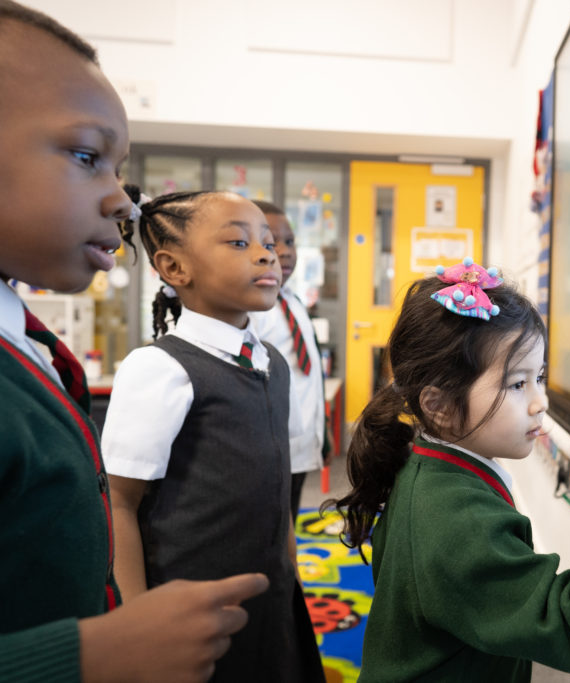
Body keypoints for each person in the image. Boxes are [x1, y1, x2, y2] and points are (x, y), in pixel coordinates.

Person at [0, 3, 270, 682]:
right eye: (87, 155)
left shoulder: (23, 345)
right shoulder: (167, 367)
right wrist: (92, 654)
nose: (122, 201)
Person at [325, 259, 570, 681]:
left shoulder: (429, 464)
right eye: (517, 384)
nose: (540, 401)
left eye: (539, 376)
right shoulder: (456, 519)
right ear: (440, 407)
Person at [101, 188, 325, 682]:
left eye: (268, 242)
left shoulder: (274, 363)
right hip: (191, 603)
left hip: (269, 594)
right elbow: (118, 502)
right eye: (239, 243)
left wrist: (287, 565)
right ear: (175, 268)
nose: (268, 253)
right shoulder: (160, 367)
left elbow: (273, 481)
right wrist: (137, 625)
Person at [250, 200, 328, 522]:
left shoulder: (292, 300)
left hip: (303, 436)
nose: (283, 251)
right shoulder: (252, 306)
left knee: (289, 520)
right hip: (269, 445)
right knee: (270, 523)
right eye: (270, 243)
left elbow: (309, 373)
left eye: (290, 242)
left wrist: (321, 428)